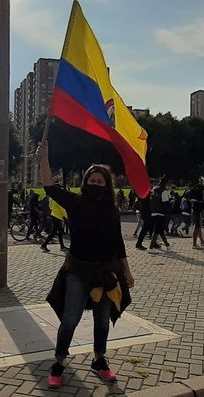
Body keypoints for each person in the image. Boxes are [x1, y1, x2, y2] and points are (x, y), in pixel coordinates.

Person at [38, 141, 134, 389]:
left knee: (102, 320)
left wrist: (126, 270)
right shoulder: (75, 202)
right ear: (85, 182)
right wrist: (44, 158)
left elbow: (117, 243)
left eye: (100, 181)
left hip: (106, 272)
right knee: (70, 318)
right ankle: (58, 362)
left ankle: (99, 360)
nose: (95, 184)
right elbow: (49, 187)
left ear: (107, 185)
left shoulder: (112, 211)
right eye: (91, 180)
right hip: (77, 270)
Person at [147, 178, 171, 254]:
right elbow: (166, 204)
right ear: (166, 183)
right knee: (157, 231)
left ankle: (168, 245)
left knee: (160, 230)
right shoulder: (163, 191)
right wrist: (167, 213)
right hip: (160, 213)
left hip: (153, 212)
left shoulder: (154, 190)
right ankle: (151, 247)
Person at [191, 184, 204, 249]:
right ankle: (194, 244)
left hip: (195, 210)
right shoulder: (201, 192)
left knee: (198, 226)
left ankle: (202, 241)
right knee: (197, 227)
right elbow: (203, 203)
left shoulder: (194, 192)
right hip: (197, 211)